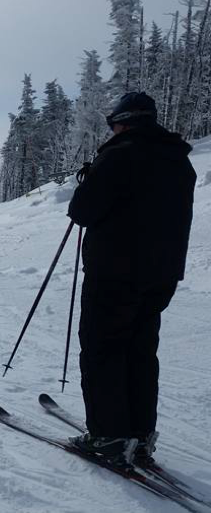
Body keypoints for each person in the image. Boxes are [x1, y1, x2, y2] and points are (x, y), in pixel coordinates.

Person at [66, 92, 196, 468]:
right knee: (140, 350)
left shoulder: (119, 155)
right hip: (161, 276)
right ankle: (139, 436)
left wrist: (91, 177)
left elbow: (82, 210)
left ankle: (108, 437)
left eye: (113, 123)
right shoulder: (180, 162)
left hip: (114, 273)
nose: (112, 129)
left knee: (103, 349)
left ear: (124, 121)